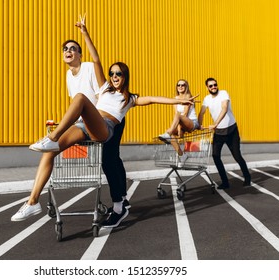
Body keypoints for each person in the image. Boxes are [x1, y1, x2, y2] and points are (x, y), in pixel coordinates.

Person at [11, 16, 197, 228]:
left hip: (104, 128)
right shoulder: (104, 88)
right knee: (50, 152)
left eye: (118, 73)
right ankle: (32, 201)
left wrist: (179, 99)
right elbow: (97, 60)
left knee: (80, 98)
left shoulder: (130, 99)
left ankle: (52, 138)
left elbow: (154, 99)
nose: (114, 76)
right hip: (85, 126)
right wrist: (85, 33)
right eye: (112, 73)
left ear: (125, 76)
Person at [60, 38, 130, 214]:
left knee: (109, 159)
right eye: (65, 49)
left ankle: (120, 200)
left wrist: (95, 119)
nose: (68, 51)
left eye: (72, 48)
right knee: (113, 159)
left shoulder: (89, 68)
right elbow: (74, 100)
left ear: (79, 54)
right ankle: (122, 196)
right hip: (92, 120)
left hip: (107, 118)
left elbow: (102, 96)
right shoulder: (69, 75)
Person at [198, 78, 251, 189]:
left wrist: (215, 123)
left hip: (231, 131)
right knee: (216, 156)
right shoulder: (207, 99)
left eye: (215, 85)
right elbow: (202, 112)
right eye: (210, 86)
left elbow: (225, 108)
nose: (213, 87)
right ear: (207, 88)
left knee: (237, 156)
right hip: (219, 133)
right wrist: (199, 125)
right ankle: (225, 182)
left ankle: (247, 177)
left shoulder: (223, 93)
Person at [158, 79, 199, 166]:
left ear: (186, 86)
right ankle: (182, 155)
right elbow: (176, 114)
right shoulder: (175, 99)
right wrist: (178, 128)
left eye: (182, 85)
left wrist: (180, 129)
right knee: (171, 133)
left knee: (171, 127)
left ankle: (167, 133)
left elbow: (184, 114)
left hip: (192, 122)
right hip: (182, 122)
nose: (180, 87)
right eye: (178, 85)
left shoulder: (188, 96)